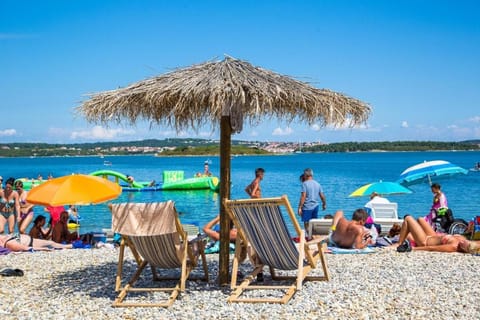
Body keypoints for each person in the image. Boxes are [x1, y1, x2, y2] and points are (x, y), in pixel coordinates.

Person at [395, 215, 480, 254]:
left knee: (408, 218)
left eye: (463, 247)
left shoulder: (454, 246)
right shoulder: (465, 240)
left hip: (425, 241)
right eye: (465, 243)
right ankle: (407, 234)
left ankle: (399, 243)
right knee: (420, 219)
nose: (462, 243)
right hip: (433, 236)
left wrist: (413, 249)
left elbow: (432, 248)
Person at [298, 168, 326, 237]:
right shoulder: (317, 184)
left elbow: (303, 196)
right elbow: (322, 195)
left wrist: (300, 207)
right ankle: (314, 237)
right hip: (315, 206)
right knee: (313, 223)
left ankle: (310, 237)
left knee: (306, 223)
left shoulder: (304, 184)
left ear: (305, 175)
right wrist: (324, 204)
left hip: (307, 207)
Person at [0, 233, 71, 251]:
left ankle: (70, 246)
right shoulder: (9, 244)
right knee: (51, 243)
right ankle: (71, 246)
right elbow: (26, 248)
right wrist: (43, 249)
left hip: (32, 239)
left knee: (51, 243)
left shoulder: (3, 237)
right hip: (31, 242)